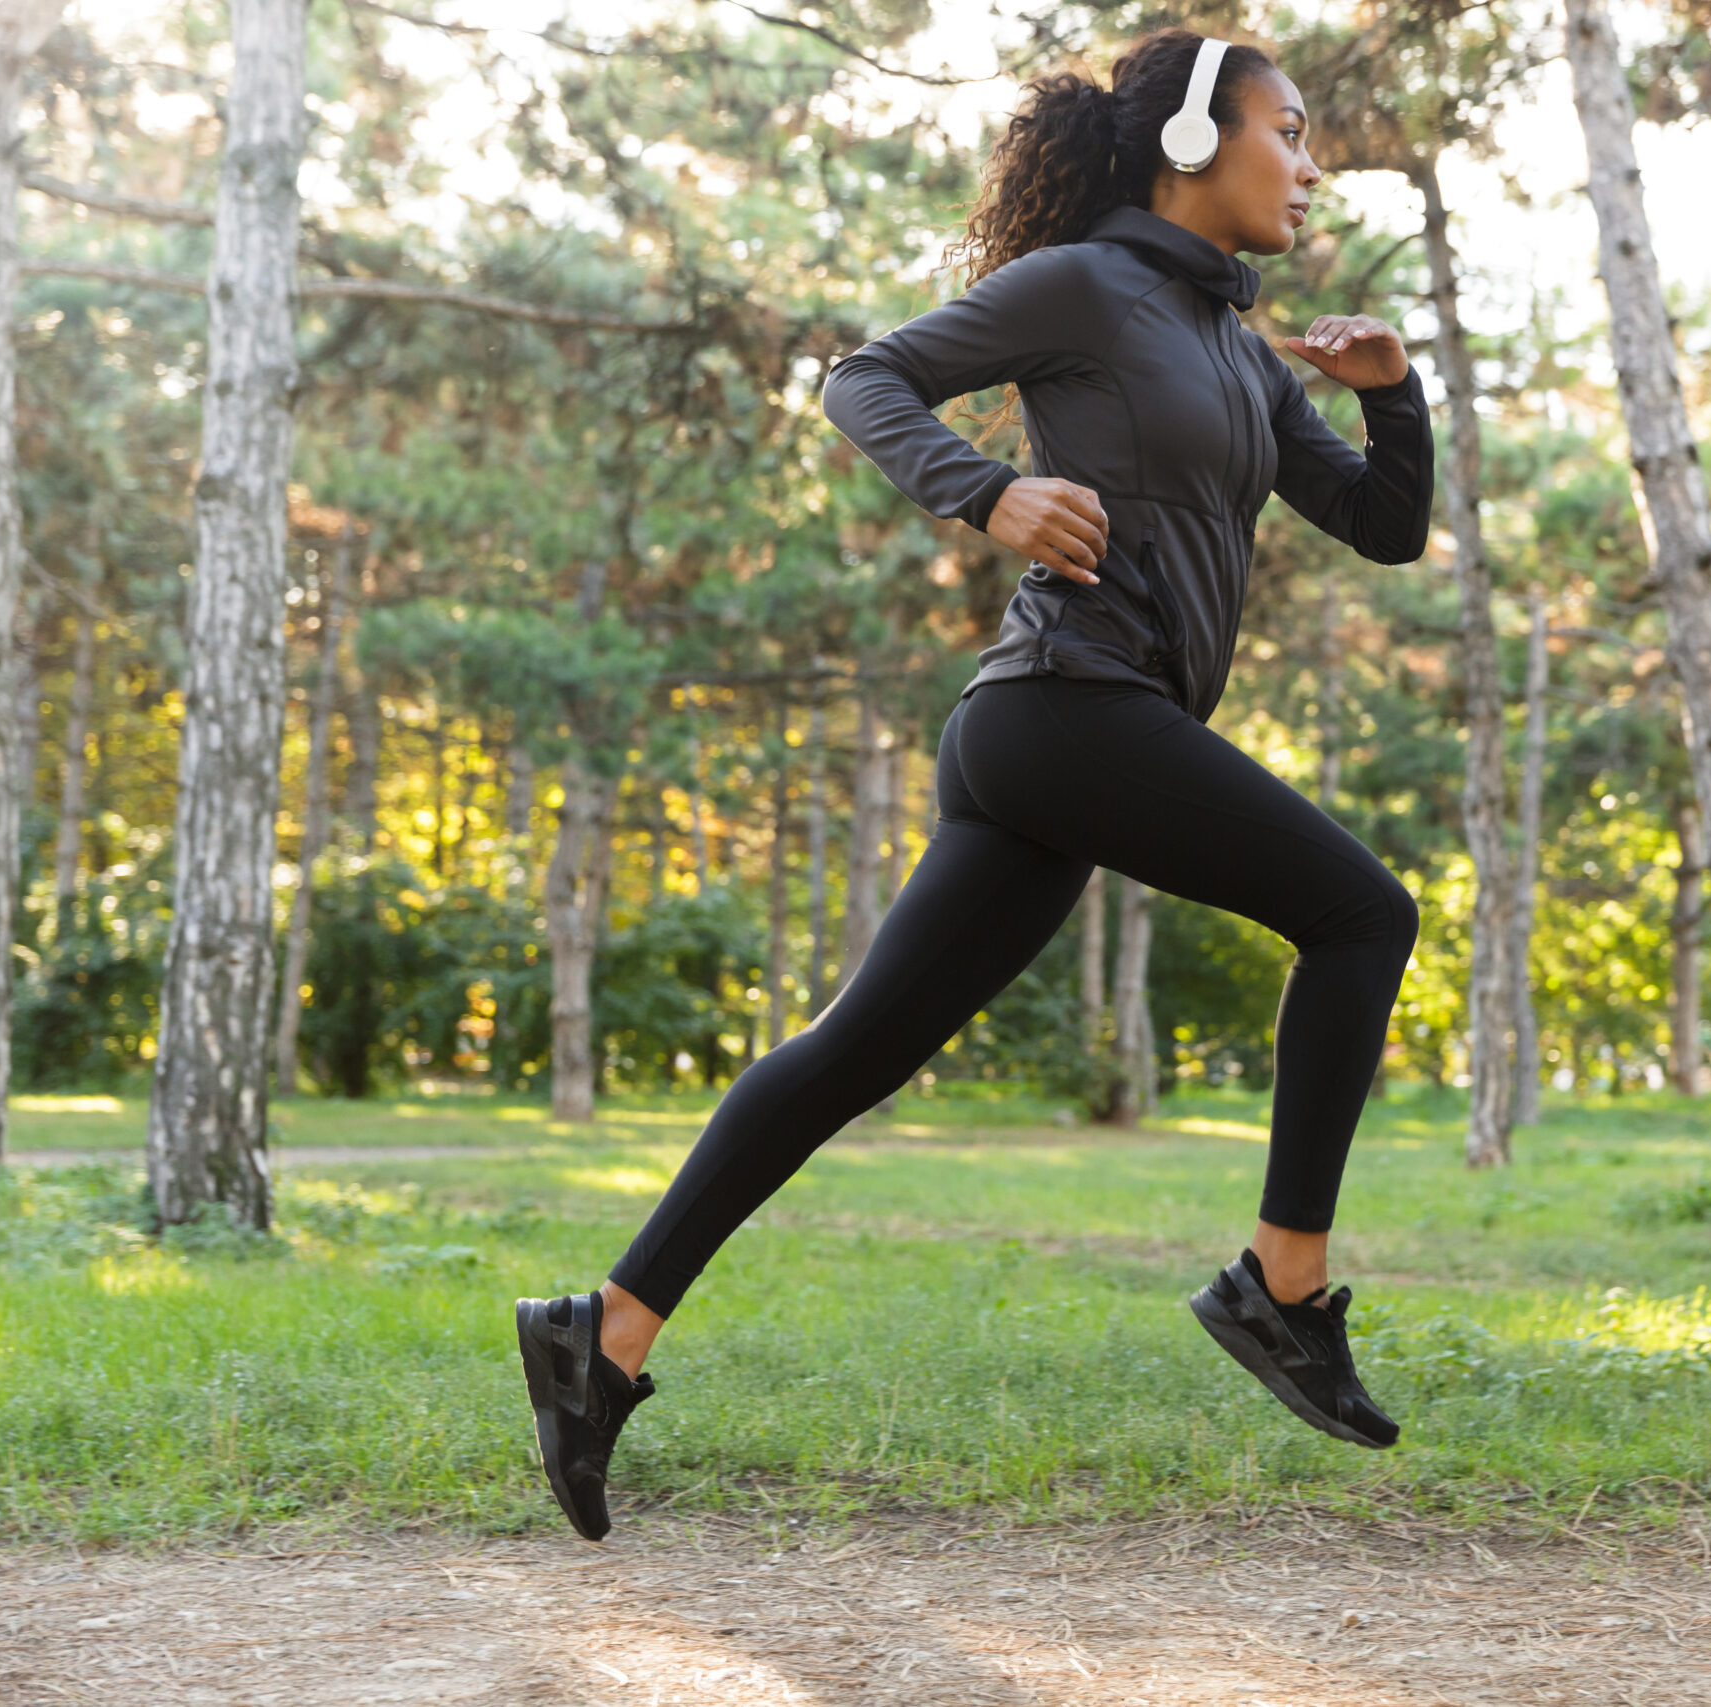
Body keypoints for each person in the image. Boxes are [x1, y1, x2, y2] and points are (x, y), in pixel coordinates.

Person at [514, 28, 1435, 1542]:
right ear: (1194, 140)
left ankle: (600, 1333)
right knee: (1361, 916)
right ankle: (1281, 1284)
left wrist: (1393, 397)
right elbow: (863, 379)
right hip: (1066, 707)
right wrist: (987, 487)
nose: (1314, 165)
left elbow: (1381, 527)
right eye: (1289, 130)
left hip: (1056, 739)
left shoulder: (1240, 358)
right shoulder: (1084, 285)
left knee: (850, 1055)